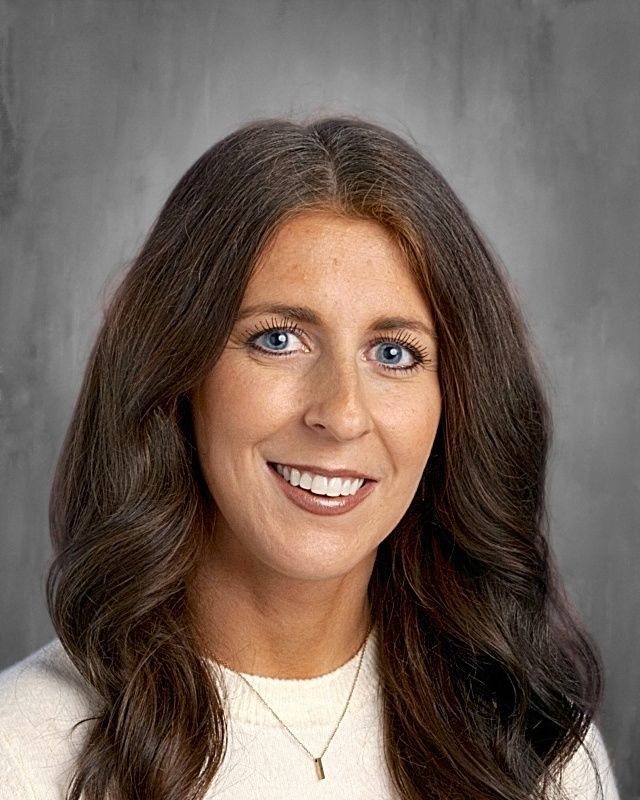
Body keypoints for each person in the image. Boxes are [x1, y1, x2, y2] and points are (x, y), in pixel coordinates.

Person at [0, 117, 621, 800]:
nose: (342, 414)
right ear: (177, 374)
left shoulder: (533, 746)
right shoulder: (23, 750)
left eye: (394, 353)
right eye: (278, 340)